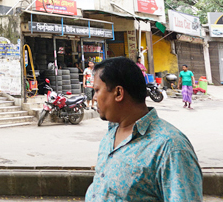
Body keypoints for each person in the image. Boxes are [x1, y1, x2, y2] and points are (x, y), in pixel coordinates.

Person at [85, 57, 202, 202]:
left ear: (118, 93)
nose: (94, 97)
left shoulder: (170, 147)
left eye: (97, 90)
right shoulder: (111, 135)